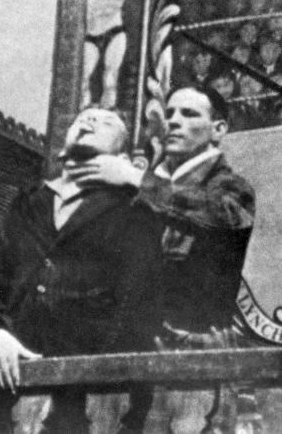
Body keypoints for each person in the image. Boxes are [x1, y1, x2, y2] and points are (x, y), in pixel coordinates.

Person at [68, 86, 256, 433]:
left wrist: (136, 179)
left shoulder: (232, 188)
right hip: (129, 359)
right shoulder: (142, 187)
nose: (173, 122)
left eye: (189, 114)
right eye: (169, 114)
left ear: (219, 129)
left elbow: (221, 216)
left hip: (193, 361)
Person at [0, 108, 160, 432]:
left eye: (105, 122)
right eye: (82, 118)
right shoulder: (28, 204)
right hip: (9, 393)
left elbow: (136, 305)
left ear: (122, 155)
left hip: (93, 399)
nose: (89, 121)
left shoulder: (134, 212)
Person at [82, 0, 147, 109]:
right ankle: (83, 112)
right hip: (92, 35)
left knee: (110, 79)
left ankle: (106, 113)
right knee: (83, 77)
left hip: (114, 34)